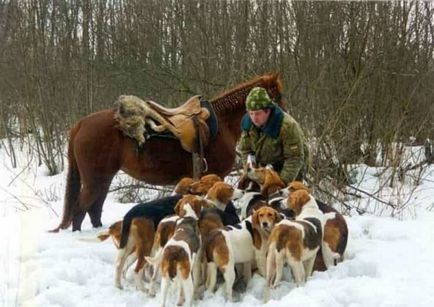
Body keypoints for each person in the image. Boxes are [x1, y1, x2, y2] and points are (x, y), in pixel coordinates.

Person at [238, 86, 310, 184]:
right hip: (264, 166)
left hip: (290, 168)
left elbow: (295, 158)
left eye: (258, 114)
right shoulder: (247, 124)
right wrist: (251, 168)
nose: (254, 118)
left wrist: (281, 182)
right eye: (251, 113)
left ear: (268, 111)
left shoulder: (287, 126)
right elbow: (245, 149)